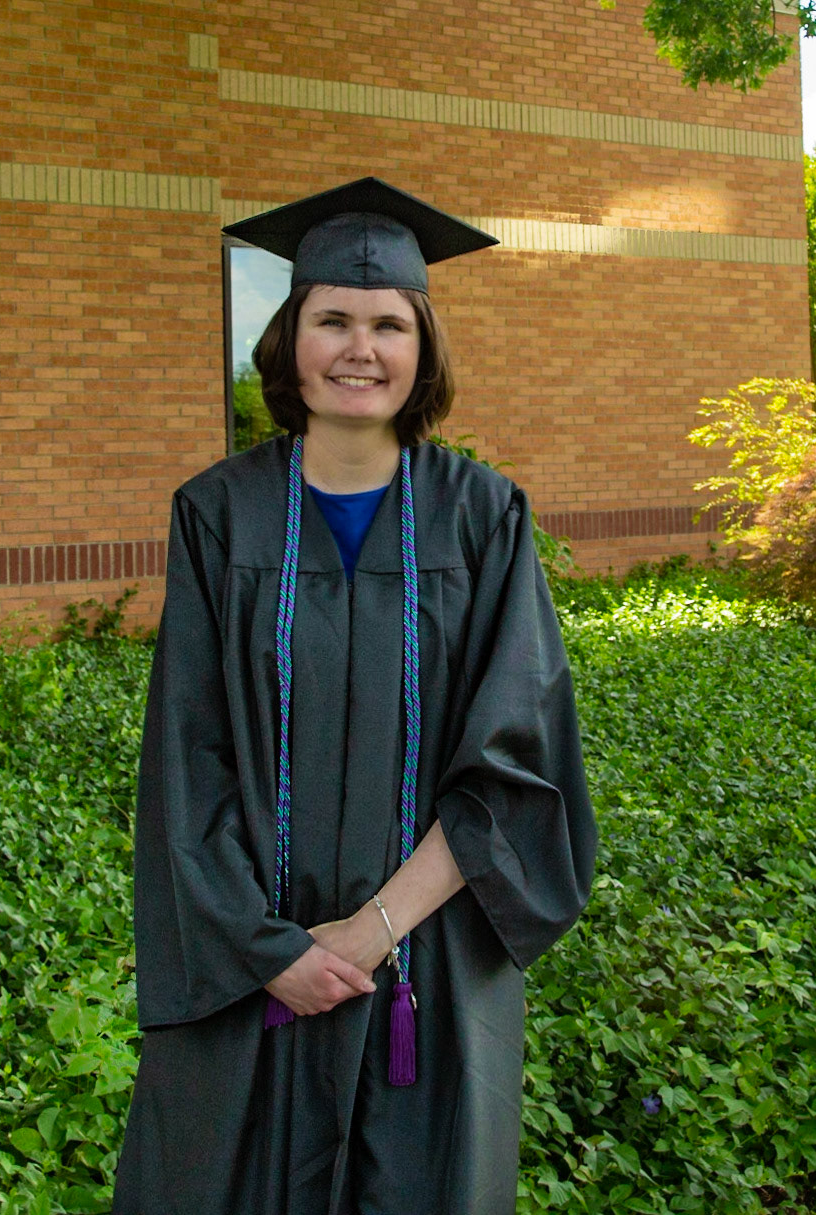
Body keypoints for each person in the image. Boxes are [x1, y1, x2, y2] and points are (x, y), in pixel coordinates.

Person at [111, 179, 597, 1215]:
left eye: (388, 324)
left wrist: (368, 931)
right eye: (331, 319)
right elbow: (186, 762)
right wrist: (272, 952)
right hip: (253, 963)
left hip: (422, 960)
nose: (358, 348)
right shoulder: (216, 516)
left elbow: (515, 761)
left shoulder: (481, 518)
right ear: (290, 340)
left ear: (423, 349)